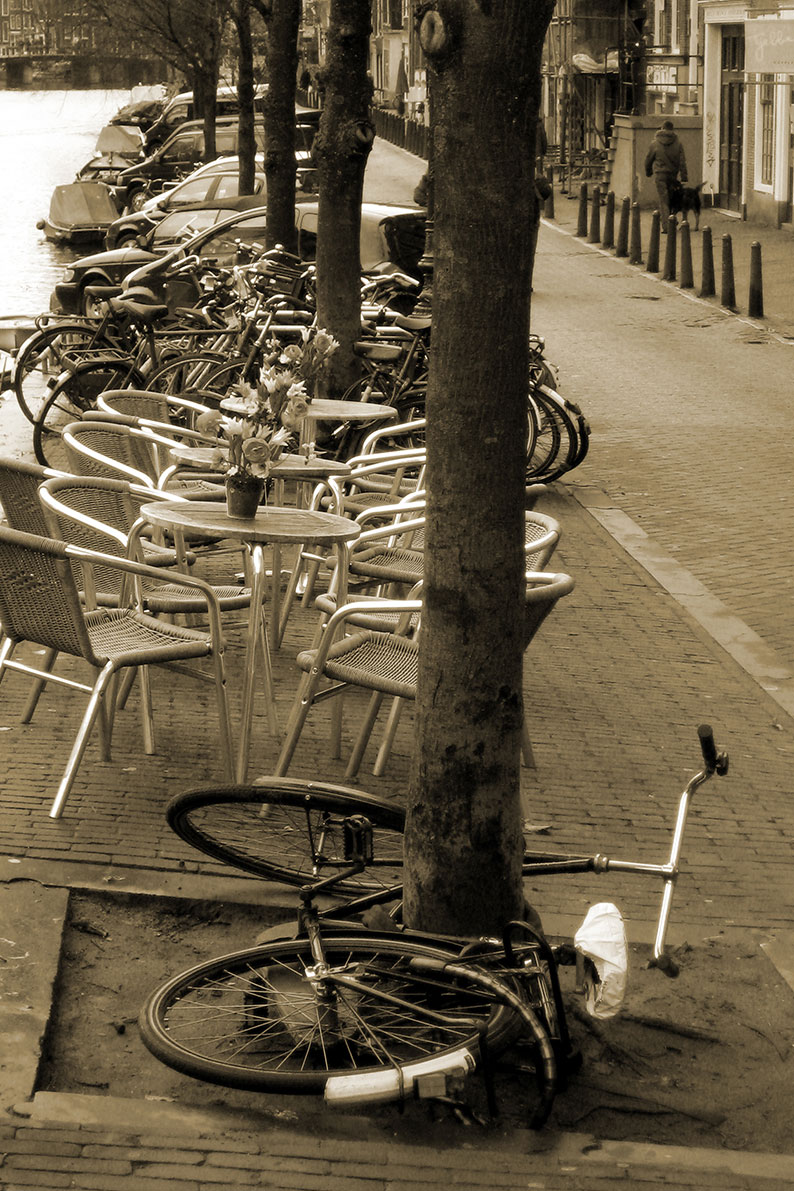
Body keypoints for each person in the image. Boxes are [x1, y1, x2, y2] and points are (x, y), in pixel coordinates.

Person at [645, 119, 687, 232]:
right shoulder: (678, 143)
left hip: (660, 175)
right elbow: (682, 161)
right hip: (673, 175)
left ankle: (666, 226)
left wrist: (648, 172)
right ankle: (671, 219)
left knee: (663, 199)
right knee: (672, 198)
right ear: (672, 130)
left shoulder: (654, 143)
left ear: (662, 128)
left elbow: (648, 159)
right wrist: (684, 176)